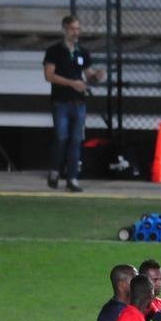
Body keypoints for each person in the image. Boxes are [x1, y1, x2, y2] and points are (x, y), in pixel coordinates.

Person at [44, 14, 105, 192]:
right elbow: (49, 75)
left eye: (78, 29)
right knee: (61, 138)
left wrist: (96, 76)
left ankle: (72, 178)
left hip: (79, 102)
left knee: (76, 140)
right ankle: (55, 170)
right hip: (61, 101)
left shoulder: (82, 52)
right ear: (64, 30)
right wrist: (72, 83)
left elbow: (88, 75)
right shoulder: (54, 51)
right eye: (72, 29)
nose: (76, 32)